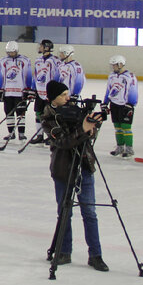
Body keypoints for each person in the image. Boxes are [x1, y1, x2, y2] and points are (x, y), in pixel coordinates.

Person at [41, 80, 108, 272]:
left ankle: (96, 255)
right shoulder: (48, 116)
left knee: (90, 212)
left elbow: (89, 137)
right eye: (63, 95)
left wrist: (93, 126)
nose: (68, 98)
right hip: (63, 168)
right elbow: (62, 142)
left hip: (84, 165)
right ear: (53, 98)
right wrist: (83, 128)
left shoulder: (75, 111)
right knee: (65, 212)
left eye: (67, 94)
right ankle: (64, 251)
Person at [104, 55, 140, 158]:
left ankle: (129, 148)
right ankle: (120, 147)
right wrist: (105, 102)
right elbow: (109, 90)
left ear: (120, 64)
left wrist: (131, 103)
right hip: (114, 104)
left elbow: (133, 90)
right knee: (117, 127)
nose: (112, 67)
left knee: (126, 127)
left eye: (114, 65)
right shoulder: (111, 76)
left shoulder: (130, 76)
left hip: (125, 105)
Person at [0, 41, 33, 141]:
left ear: (16, 50)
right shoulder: (3, 61)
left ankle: (21, 133)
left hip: (20, 92)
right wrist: (0, 89)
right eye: (8, 52)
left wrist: (28, 89)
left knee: (20, 113)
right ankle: (11, 133)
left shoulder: (25, 60)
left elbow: (28, 75)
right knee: (8, 112)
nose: (10, 54)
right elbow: (1, 76)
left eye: (12, 52)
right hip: (8, 92)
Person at [29, 39, 61, 144]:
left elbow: (58, 76)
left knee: (50, 114)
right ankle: (39, 135)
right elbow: (36, 75)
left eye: (41, 46)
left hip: (49, 92)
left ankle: (52, 135)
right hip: (39, 91)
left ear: (46, 47)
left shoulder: (55, 61)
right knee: (38, 113)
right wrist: (33, 89)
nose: (39, 47)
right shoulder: (38, 60)